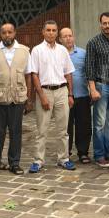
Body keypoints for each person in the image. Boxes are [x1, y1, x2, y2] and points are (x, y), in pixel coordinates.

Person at [27, 20, 76, 173]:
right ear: (43, 32)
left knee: (63, 130)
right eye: (48, 30)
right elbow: (34, 74)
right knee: (42, 130)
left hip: (62, 91)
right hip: (45, 91)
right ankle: (38, 160)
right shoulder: (37, 50)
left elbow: (68, 73)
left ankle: (64, 158)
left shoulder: (62, 50)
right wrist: (41, 96)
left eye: (54, 30)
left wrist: (70, 94)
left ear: (57, 32)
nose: (51, 33)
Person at [0, 22, 31, 177]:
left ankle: (14, 163)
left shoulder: (24, 51)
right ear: (0, 34)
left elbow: (28, 75)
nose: (7, 35)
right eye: (4, 32)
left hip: (17, 100)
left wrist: (28, 99)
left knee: (16, 132)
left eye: (10, 32)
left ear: (15, 33)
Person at [85, 12, 109, 168]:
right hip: (101, 87)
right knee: (99, 123)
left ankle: (108, 153)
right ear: (100, 24)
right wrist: (93, 89)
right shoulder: (93, 42)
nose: (107, 26)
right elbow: (89, 67)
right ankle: (99, 155)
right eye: (104, 23)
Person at [60, 27, 92, 163]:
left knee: (83, 126)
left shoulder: (83, 53)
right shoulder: (58, 54)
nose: (68, 38)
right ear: (60, 39)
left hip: (82, 95)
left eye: (70, 35)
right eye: (65, 36)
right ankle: (65, 153)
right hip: (63, 97)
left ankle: (83, 152)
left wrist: (92, 89)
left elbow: (89, 73)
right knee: (65, 127)